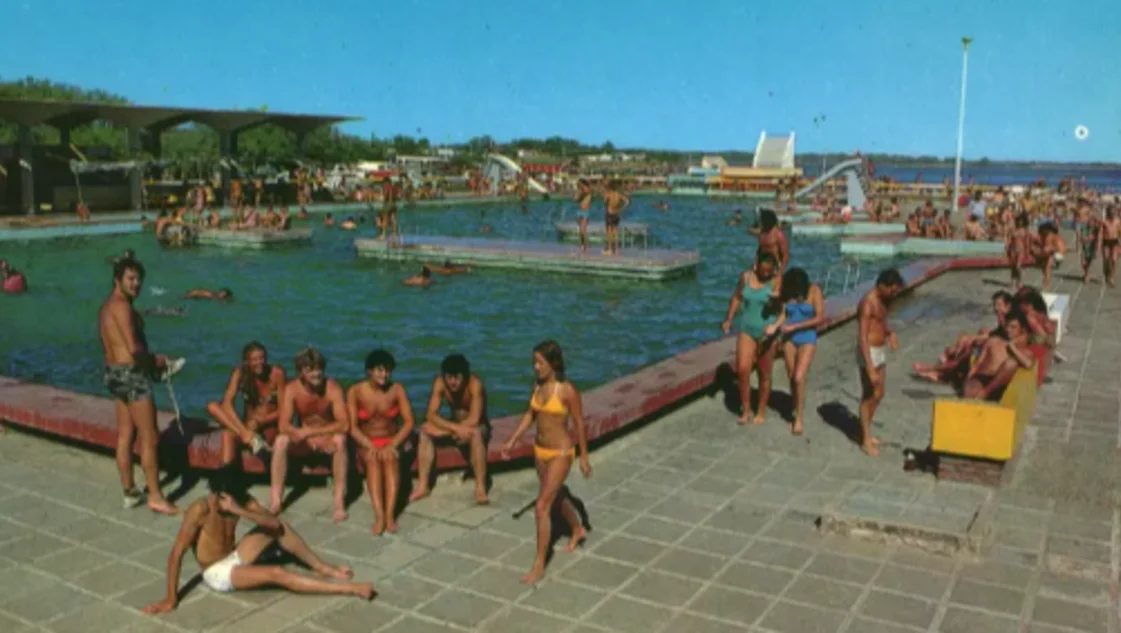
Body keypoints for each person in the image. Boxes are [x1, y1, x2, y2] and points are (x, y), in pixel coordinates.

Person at [141, 466, 374, 615]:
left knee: (280, 528)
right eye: (214, 495)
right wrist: (170, 599)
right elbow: (176, 553)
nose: (216, 502)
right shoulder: (200, 509)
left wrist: (239, 510)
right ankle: (350, 589)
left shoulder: (240, 501)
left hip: (234, 555)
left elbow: (273, 523)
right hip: (217, 572)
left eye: (221, 498)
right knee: (278, 573)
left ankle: (323, 567)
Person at [501, 341, 591, 584]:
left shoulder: (567, 391)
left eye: (540, 362)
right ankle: (576, 529)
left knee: (542, 506)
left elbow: (580, 423)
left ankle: (539, 565)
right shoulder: (537, 387)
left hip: (561, 453)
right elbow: (530, 415)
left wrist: (583, 457)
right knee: (557, 498)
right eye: (534, 362)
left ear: (554, 363)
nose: (535, 367)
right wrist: (511, 440)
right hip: (540, 451)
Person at [97, 258, 178, 514]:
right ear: (117, 279)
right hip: (132, 374)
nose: (136, 284)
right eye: (130, 279)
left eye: (139, 279)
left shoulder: (107, 307)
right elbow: (133, 348)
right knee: (149, 436)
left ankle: (130, 491)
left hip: (114, 373)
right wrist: (157, 361)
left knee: (125, 434)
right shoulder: (122, 307)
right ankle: (155, 495)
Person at [270, 348, 350, 522]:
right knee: (281, 441)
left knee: (340, 440)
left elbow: (344, 424)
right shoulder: (292, 389)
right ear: (301, 373)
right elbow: (283, 424)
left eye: (319, 369)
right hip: (305, 440)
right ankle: (276, 500)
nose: (316, 374)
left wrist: (311, 433)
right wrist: (302, 434)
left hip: (327, 436)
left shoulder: (332, 388)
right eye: (310, 370)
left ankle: (338, 503)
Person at [346, 350, 416, 535]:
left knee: (390, 459)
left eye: (387, 371)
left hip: (390, 439)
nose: (384, 375)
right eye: (379, 370)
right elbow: (352, 427)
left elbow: (409, 421)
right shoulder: (356, 391)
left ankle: (390, 515)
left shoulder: (397, 390)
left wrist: (393, 443)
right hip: (366, 441)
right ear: (369, 371)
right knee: (372, 461)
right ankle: (379, 516)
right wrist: (369, 445)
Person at [411, 354, 491, 505]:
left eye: (457, 377)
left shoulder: (475, 384)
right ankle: (423, 486)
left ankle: (480, 488)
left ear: (465, 376)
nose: (452, 382)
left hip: (477, 426)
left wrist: (452, 430)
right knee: (424, 431)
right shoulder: (440, 383)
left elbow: (474, 419)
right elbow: (431, 414)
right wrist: (454, 429)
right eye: (449, 377)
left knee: (475, 434)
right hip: (455, 425)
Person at [721, 252, 784, 425]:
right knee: (742, 369)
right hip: (746, 329)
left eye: (769, 272)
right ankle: (746, 408)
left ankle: (761, 409)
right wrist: (729, 319)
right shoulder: (746, 276)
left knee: (764, 373)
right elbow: (737, 297)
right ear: (756, 264)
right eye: (763, 270)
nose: (765, 274)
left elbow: (784, 309)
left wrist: (777, 302)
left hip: (766, 333)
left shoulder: (776, 281)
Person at [206, 342, 286, 465]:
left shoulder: (277, 374)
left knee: (229, 433)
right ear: (247, 361)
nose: (259, 362)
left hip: (268, 427)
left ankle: (248, 438)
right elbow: (227, 404)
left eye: (262, 358)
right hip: (248, 428)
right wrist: (244, 431)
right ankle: (227, 474)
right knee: (213, 407)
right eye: (254, 359)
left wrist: (261, 421)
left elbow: (284, 410)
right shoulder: (240, 373)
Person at [856, 269, 905, 457]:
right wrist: (869, 366)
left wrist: (890, 333)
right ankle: (865, 440)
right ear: (882, 285)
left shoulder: (885, 300)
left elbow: (881, 322)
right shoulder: (868, 303)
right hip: (868, 351)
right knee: (869, 394)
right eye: (892, 290)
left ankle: (865, 428)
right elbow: (862, 336)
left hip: (879, 350)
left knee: (879, 393)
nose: (894, 294)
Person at [779, 268, 824, 436]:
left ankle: (799, 417)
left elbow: (819, 317)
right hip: (789, 338)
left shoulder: (814, 290)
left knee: (799, 376)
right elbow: (784, 314)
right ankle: (796, 403)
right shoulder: (788, 291)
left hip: (807, 336)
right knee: (792, 377)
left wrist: (795, 326)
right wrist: (775, 327)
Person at [961, 310, 1035, 401]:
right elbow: (977, 363)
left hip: (998, 384)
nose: (1009, 330)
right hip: (981, 378)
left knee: (1011, 363)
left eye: (1013, 327)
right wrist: (968, 379)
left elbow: (1029, 364)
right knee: (970, 393)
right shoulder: (994, 341)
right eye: (1007, 326)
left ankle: (985, 393)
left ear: (1022, 330)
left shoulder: (1023, 350)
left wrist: (1012, 347)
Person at [1074, 204, 1102, 284]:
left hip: (1091, 247)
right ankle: (1086, 274)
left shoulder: (1096, 228)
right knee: (1083, 263)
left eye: (1093, 222)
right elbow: (1079, 234)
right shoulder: (1083, 226)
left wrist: (1098, 247)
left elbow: (1098, 235)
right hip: (1084, 247)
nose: (1091, 223)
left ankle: (1087, 273)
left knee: (1088, 262)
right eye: (1090, 221)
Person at [603, 180, 630, 256]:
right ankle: (617, 250)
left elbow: (605, 202)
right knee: (616, 232)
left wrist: (607, 201)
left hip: (609, 213)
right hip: (617, 213)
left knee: (609, 232)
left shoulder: (609, 194)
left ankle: (610, 249)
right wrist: (621, 209)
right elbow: (627, 202)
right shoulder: (619, 195)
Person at [1103, 205, 1120, 287]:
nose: (1112, 214)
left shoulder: (1118, 221)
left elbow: (1120, 233)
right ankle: (1106, 273)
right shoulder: (1104, 221)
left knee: (1114, 260)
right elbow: (1100, 234)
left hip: (1115, 241)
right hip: (1106, 241)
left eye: (1114, 212)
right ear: (1108, 213)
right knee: (1106, 260)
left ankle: (1112, 277)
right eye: (1111, 212)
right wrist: (1099, 245)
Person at [574, 179, 593, 253]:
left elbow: (585, 193)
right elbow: (576, 199)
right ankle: (582, 245)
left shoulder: (587, 190)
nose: (578, 186)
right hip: (579, 211)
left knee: (583, 230)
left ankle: (587, 246)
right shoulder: (581, 191)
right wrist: (577, 195)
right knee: (580, 231)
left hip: (585, 212)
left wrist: (579, 192)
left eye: (579, 184)